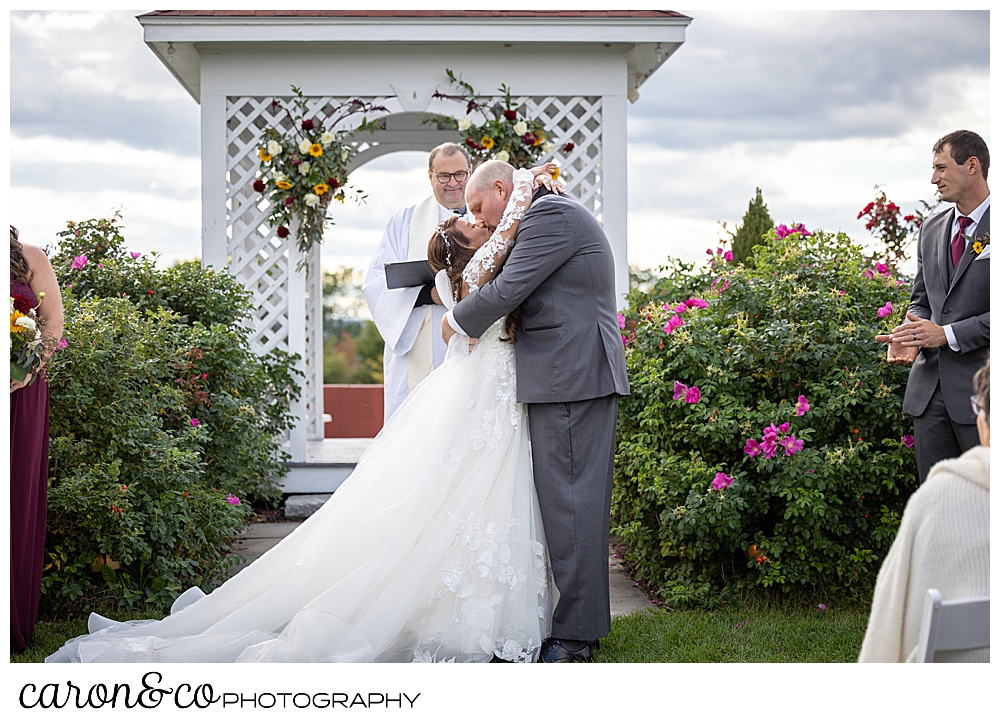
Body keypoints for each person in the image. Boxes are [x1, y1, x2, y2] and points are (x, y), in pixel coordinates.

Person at [46, 165, 561, 664]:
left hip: (490, 390)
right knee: (474, 490)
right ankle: (471, 615)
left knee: (482, 492)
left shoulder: (468, 264)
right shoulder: (477, 263)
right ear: (461, 248)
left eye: (475, 211)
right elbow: (506, 234)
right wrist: (529, 178)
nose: (478, 220)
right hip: (483, 392)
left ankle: (472, 606)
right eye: (470, 220)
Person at [443, 160, 630, 663]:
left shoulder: (550, 217)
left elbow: (509, 290)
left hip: (573, 375)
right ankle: (575, 623)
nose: (481, 221)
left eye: (481, 208)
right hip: (565, 374)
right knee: (566, 506)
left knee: (572, 507)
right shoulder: (544, 214)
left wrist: (455, 322)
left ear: (502, 189)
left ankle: (576, 637)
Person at [876, 130, 990, 483]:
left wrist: (947, 334)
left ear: (972, 166)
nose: (933, 178)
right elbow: (921, 300)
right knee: (939, 504)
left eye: (941, 168)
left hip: (984, 395)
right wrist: (913, 333)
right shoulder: (931, 227)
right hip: (929, 396)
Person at [858, 360, 989, 663]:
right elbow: (920, 308)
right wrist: (913, 330)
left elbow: (891, 627)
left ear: (983, 421)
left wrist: (946, 334)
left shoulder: (934, 499)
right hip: (931, 390)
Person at [363, 142, 474, 421]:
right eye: (443, 176)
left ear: (470, 173)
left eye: (459, 174)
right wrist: (428, 295)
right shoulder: (405, 222)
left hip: (474, 339)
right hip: (419, 335)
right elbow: (377, 285)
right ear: (430, 177)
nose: (452, 183)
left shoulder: (488, 219)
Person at [10, 226, 64, 653]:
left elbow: (52, 322)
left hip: (17, 391)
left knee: (14, 494)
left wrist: (23, 372)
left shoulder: (28, 257)